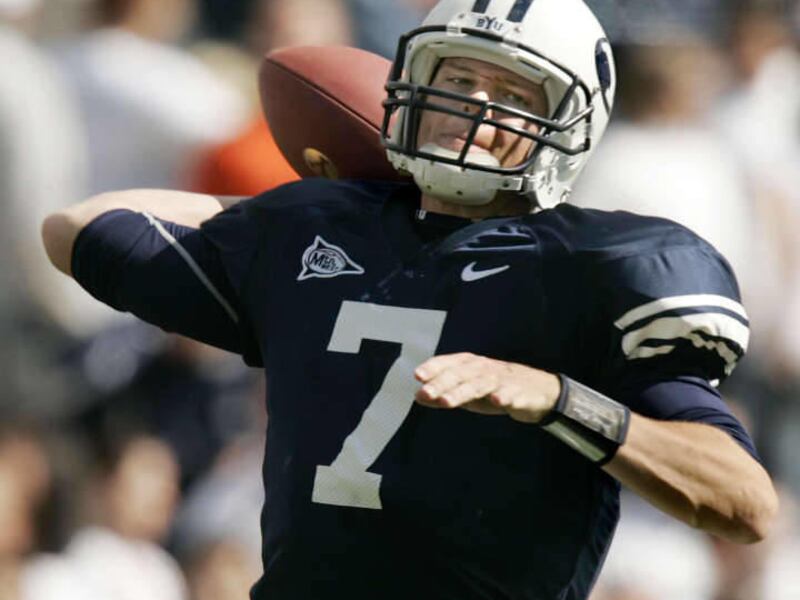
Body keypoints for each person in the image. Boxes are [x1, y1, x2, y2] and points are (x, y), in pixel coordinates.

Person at [41, 0, 778, 598]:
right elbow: (77, 228)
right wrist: (299, 209)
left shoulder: (596, 267)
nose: (478, 110)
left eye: (514, 95)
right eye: (458, 81)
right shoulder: (313, 232)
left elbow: (744, 503)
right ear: (409, 88)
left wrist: (556, 398)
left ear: (568, 128)